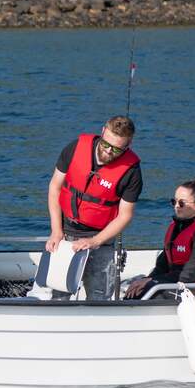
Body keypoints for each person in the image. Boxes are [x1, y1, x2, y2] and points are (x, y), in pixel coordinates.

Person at [46, 116, 142, 300]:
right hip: (66, 232)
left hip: (101, 239)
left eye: (116, 149)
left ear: (128, 144)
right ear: (103, 131)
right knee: (59, 294)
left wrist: (95, 241)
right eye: (106, 144)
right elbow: (55, 187)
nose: (108, 151)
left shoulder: (132, 172)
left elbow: (125, 215)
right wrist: (56, 231)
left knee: (100, 297)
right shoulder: (75, 148)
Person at [126, 176, 195, 299]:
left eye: (182, 203)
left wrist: (153, 282)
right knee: (135, 291)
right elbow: (162, 266)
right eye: (174, 201)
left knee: (152, 293)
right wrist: (148, 279)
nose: (176, 206)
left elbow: (190, 274)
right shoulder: (176, 228)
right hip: (179, 282)